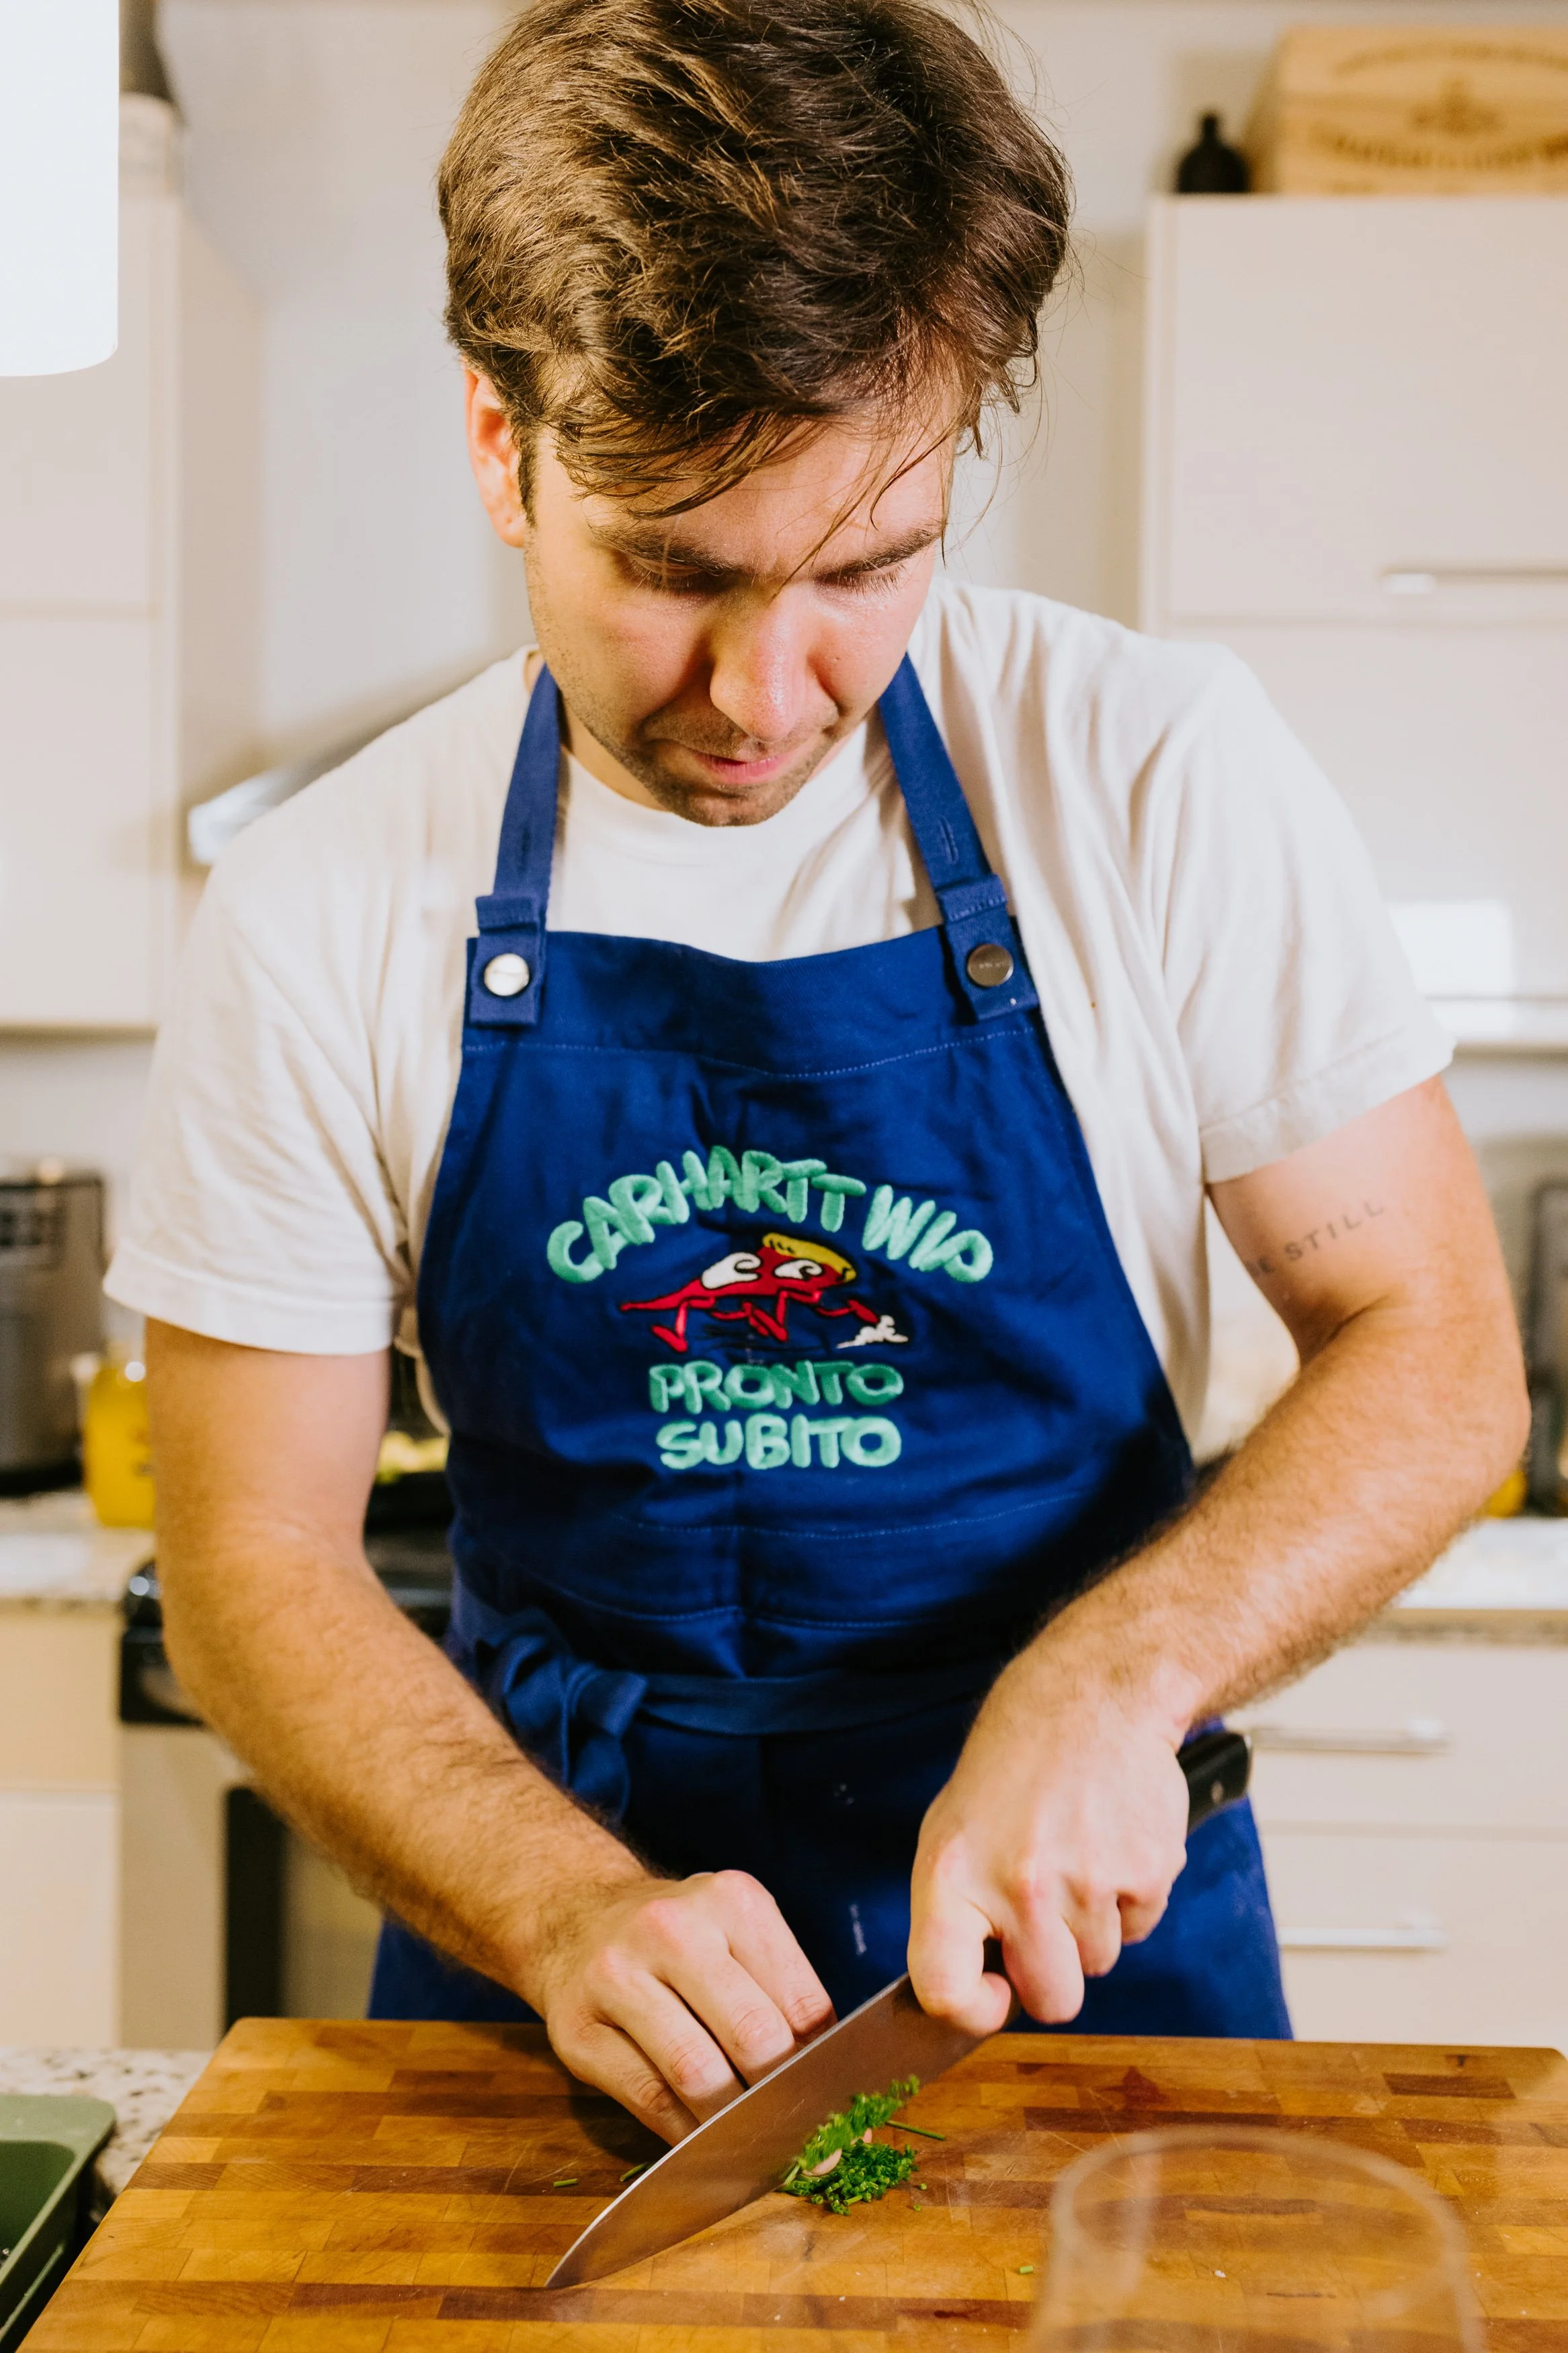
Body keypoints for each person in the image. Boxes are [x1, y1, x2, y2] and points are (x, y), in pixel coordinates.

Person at [109, 0, 1526, 2145]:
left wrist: (1116, 1674)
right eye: (676, 572)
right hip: (560, 1943)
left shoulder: (1147, 773)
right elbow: (249, 1557)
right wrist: (564, 1903)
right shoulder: (323, 900)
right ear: (501, 447)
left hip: (1085, 1929)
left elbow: (1434, 1351)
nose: (767, 693)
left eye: (869, 566)